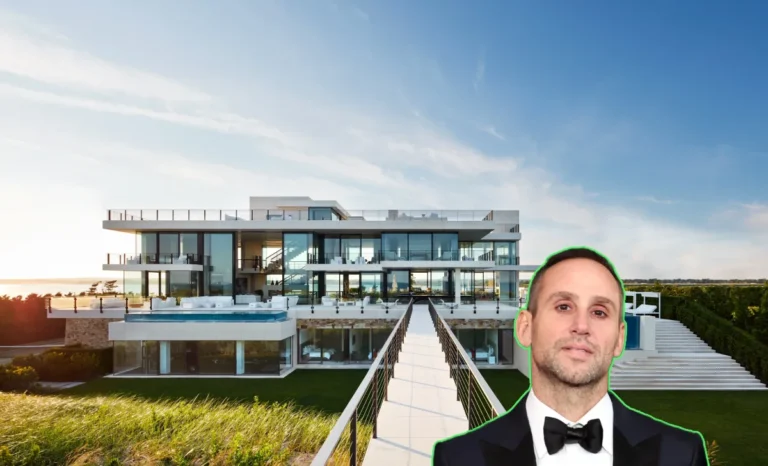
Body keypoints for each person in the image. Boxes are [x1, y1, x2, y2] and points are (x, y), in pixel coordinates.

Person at [432, 247, 709, 466]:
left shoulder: (681, 455)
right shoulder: (458, 459)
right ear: (525, 328)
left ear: (619, 339)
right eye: (564, 306)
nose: (582, 326)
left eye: (599, 312)